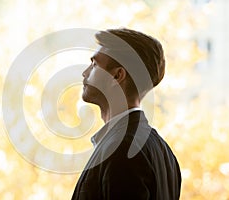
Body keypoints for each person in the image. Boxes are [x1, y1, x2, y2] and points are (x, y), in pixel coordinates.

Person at [71, 28, 181, 200]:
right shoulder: (163, 151)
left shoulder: (122, 150)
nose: (85, 73)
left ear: (117, 75)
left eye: (94, 65)